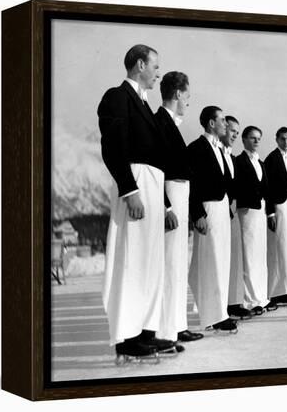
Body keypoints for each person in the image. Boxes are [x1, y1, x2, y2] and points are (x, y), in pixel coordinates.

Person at [98, 44, 175, 361]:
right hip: (137, 184)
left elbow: (158, 159)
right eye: (155, 66)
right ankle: (127, 338)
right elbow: (113, 146)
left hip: (153, 187)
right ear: (140, 64)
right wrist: (130, 192)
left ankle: (146, 332)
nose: (158, 72)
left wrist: (166, 204)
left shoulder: (144, 104)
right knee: (132, 262)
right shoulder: (117, 96)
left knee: (149, 264)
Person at [154, 71, 204, 345]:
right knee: (168, 265)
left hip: (181, 197)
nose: (188, 100)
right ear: (177, 94)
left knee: (177, 265)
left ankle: (177, 324)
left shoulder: (171, 124)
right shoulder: (159, 122)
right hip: (171, 198)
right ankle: (164, 329)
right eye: (187, 95)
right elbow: (154, 170)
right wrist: (166, 207)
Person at [188, 106, 238, 332]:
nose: (226, 125)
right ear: (210, 123)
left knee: (221, 260)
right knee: (211, 261)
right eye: (221, 120)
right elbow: (193, 184)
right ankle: (213, 316)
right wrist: (197, 213)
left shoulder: (219, 149)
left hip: (222, 209)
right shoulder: (197, 148)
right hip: (208, 209)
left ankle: (219, 312)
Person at [234, 126, 274, 315]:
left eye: (259, 138)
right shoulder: (239, 161)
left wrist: (269, 212)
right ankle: (249, 301)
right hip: (247, 212)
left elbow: (266, 188)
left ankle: (260, 298)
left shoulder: (262, 163)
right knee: (249, 256)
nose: (256, 141)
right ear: (244, 139)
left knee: (259, 256)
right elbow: (238, 187)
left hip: (260, 213)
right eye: (252, 138)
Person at [221, 116, 252, 320]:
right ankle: (221, 305)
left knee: (234, 258)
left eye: (237, 133)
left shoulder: (231, 158)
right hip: (218, 209)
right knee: (221, 260)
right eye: (232, 130)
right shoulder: (218, 153)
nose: (234, 135)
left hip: (232, 211)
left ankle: (234, 302)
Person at [264, 127, 287, 306]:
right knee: (277, 249)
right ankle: (276, 292)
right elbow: (267, 188)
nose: (286, 143)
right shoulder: (271, 159)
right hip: (277, 207)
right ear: (276, 140)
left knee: (286, 249)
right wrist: (270, 212)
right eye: (283, 139)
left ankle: (286, 288)